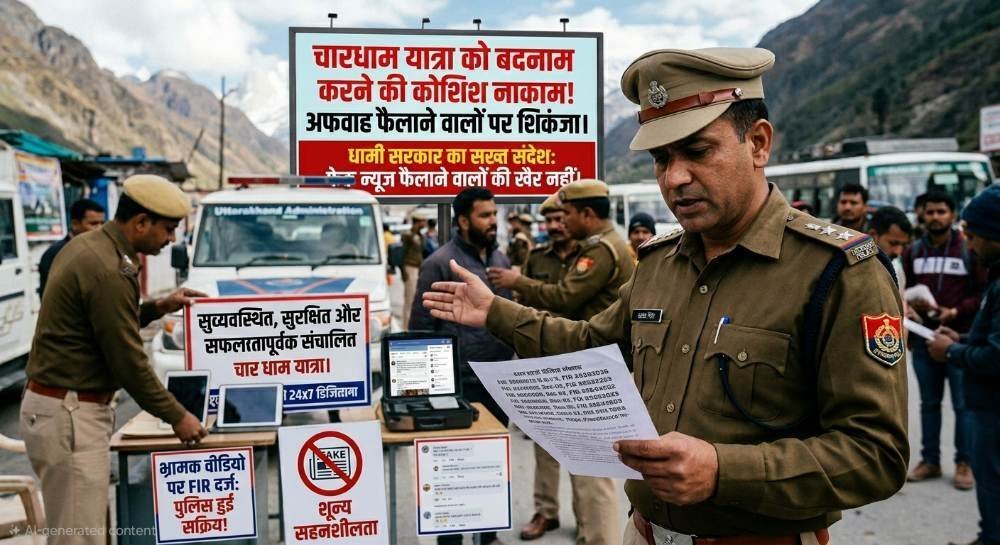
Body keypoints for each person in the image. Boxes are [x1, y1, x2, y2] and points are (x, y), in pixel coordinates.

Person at [423, 47, 908, 545]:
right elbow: (591, 344)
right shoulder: (659, 263)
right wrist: (495, 311)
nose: (674, 178)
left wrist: (723, 469)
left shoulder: (837, 272)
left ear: (758, 144)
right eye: (661, 159)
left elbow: (876, 454)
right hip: (645, 532)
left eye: (697, 151)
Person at [20, 175, 207, 545]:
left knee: (84, 529)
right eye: (168, 229)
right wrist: (178, 416)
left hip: (65, 409)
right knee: (78, 537)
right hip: (70, 413)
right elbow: (128, 361)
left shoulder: (91, 247)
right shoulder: (107, 269)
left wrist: (158, 306)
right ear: (141, 223)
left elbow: (105, 320)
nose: (171, 239)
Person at [488, 187, 630, 544]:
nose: (557, 224)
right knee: (548, 444)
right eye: (552, 218)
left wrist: (518, 283)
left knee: (591, 463)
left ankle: (595, 535)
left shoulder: (598, 251)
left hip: (587, 367)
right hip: (552, 362)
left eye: (563, 216)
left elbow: (565, 298)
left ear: (585, 214)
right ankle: (549, 513)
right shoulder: (543, 255)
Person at [409, 187, 513, 545]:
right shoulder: (439, 263)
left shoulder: (500, 261)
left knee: (491, 469)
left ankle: (489, 536)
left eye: (494, 214)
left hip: (499, 382)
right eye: (485, 215)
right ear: (464, 221)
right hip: (457, 386)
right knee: (452, 473)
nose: (493, 221)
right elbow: (420, 331)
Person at [927, 185, 1000, 545]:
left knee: (992, 480)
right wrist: (963, 339)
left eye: (974, 235)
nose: (969, 244)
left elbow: (996, 357)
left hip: (993, 407)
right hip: (987, 403)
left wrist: (953, 352)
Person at [902, 191, 988, 490]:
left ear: (952, 215)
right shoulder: (913, 251)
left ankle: (964, 463)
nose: (935, 217)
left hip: (959, 338)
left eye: (941, 211)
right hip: (924, 338)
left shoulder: (968, 249)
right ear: (922, 215)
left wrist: (955, 312)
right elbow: (907, 289)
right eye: (930, 212)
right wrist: (911, 308)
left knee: (963, 405)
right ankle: (930, 460)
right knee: (928, 403)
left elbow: (981, 294)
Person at [38, 198, 105, 298]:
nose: (100, 228)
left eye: (102, 223)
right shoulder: (57, 253)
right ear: (75, 224)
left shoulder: (101, 249)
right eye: (93, 224)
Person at [868, 205, 913, 293]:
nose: (898, 251)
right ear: (873, 236)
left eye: (903, 245)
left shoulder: (896, 267)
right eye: (893, 243)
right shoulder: (852, 267)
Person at [401, 211, 428, 327]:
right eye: (423, 221)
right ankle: (406, 326)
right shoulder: (408, 236)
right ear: (417, 222)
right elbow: (402, 254)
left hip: (419, 268)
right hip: (410, 268)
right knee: (410, 299)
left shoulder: (420, 236)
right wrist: (403, 271)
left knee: (417, 299)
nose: (425, 224)